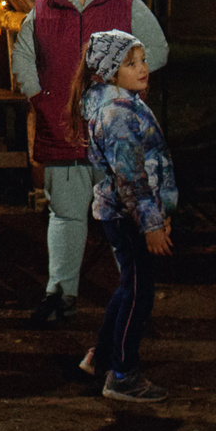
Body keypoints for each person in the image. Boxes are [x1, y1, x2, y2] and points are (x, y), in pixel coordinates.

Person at [10, 0, 170, 327]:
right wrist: (41, 99)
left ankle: (134, 295)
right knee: (65, 215)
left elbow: (158, 50)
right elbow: (24, 58)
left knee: (126, 213)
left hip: (115, 132)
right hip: (62, 129)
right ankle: (60, 295)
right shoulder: (44, 8)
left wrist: (121, 90)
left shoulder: (124, 1)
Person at [74, 30, 177, 403]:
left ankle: (102, 356)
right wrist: (151, 224)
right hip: (128, 216)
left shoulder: (126, 104)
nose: (143, 68)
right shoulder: (116, 113)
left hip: (130, 213)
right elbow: (130, 178)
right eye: (130, 63)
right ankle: (123, 374)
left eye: (143, 60)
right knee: (138, 294)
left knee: (128, 287)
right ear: (108, 72)